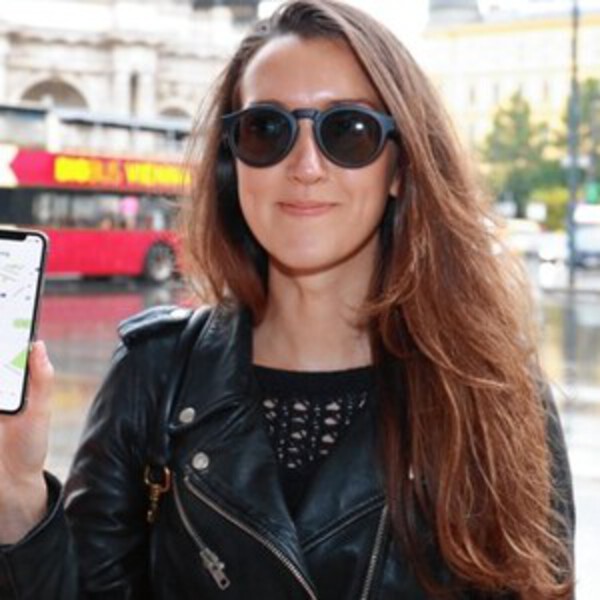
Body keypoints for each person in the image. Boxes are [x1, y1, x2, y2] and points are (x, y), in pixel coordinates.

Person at [0, 1, 574, 598]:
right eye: (266, 130)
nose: (304, 166)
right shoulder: (153, 374)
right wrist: (15, 492)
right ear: (234, 164)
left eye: (347, 131)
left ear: (401, 167)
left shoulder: (494, 394)